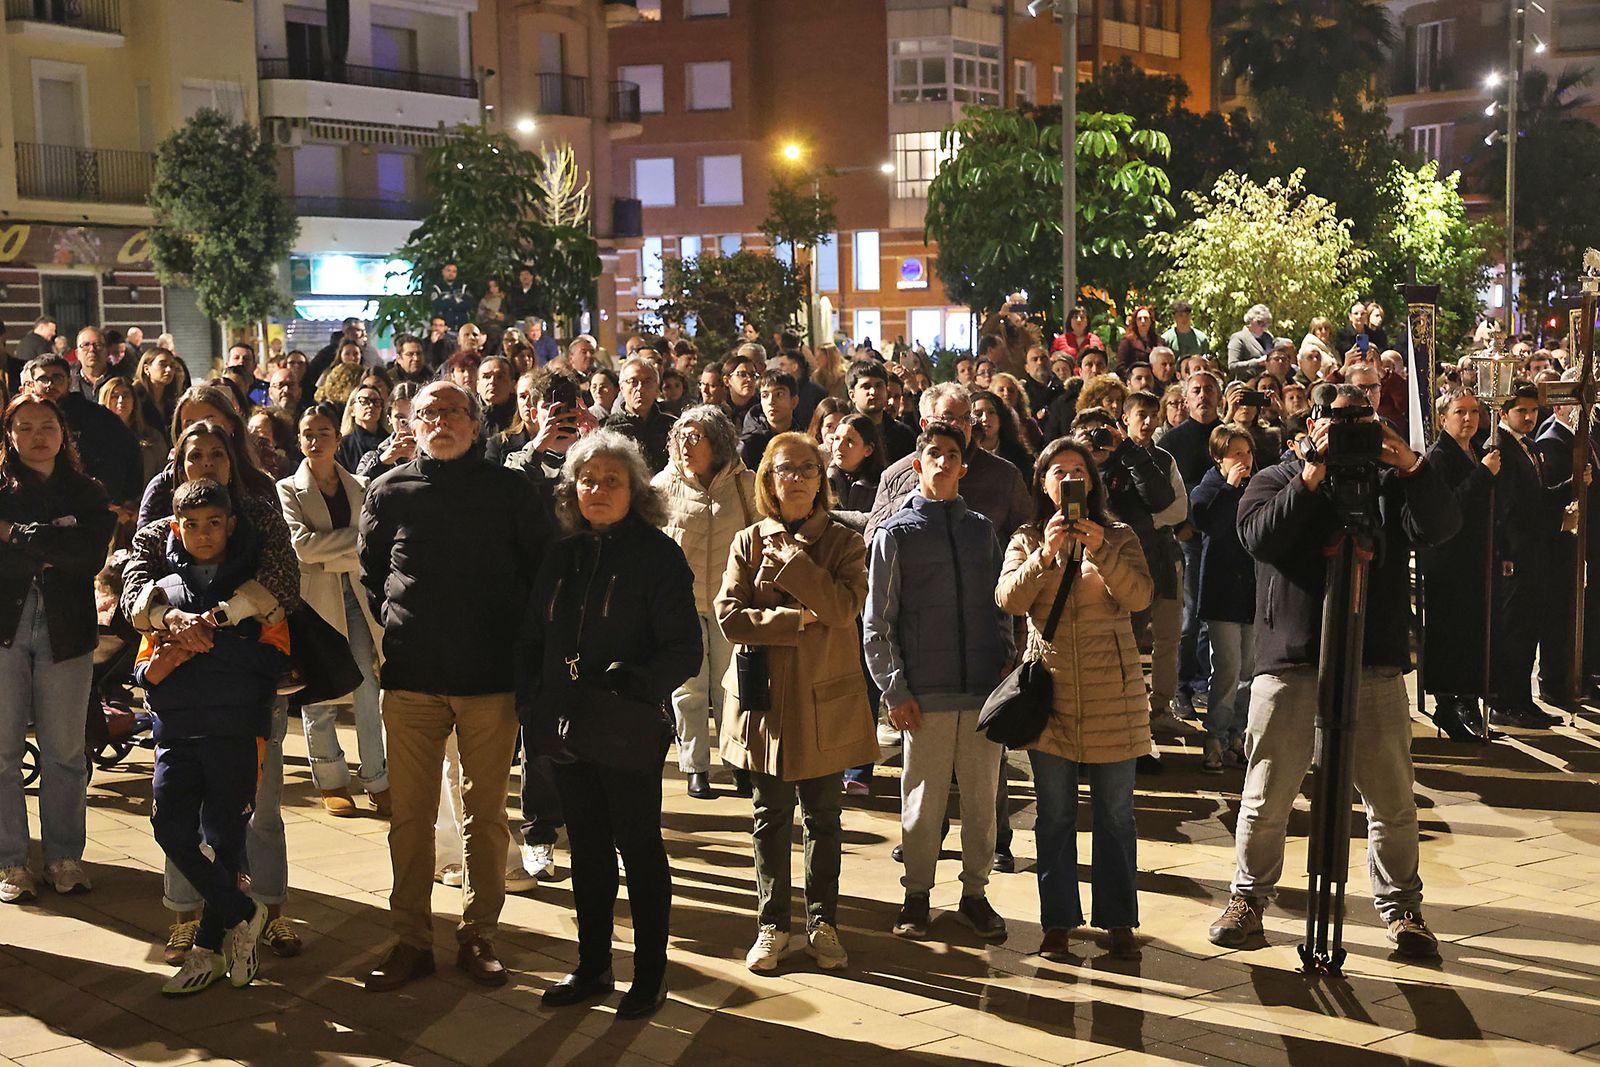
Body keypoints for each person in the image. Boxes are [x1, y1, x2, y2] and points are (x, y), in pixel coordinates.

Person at [1207, 382, 1458, 958]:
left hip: (1372, 660)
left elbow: (1442, 528)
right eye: (1335, 422)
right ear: (1307, 427)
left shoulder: (1391, 485)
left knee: (1393, 801)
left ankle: (1403, 910)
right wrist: (1312, 475)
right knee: (1266, 797)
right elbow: (1258, 537)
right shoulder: (1277, 477)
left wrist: (1412, 468)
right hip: (1292, 662)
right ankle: (1248, 900)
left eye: (1358, 422)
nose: (1347, 433)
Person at [358, 381, 545, 991]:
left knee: (485, 816)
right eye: (428, 413)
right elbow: (372, 574)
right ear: (409, 422)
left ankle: (479, 935)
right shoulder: (389, 492)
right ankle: (410, 939)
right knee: (409, 819)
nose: (441, 421)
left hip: (490, 682)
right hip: (412, 680)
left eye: (453, 412)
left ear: (476, 422)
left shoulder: (511, 492)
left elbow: (538, 573)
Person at [519, 430, 700, 1019]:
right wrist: (532, 704)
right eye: (587, 480)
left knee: (640, 851)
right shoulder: (563, 553)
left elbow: (683, 650)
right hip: (565, 726)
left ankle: (649, 976)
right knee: (589, 851)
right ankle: (593, 966)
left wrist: (635, 682)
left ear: (635, 490)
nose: (597, 490)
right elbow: (532, 637)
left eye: (611, 480)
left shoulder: (657, 554)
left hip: (625, 726)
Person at [716, 431, 878, 972]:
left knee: (825, 819)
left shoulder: (843, 542)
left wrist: (794, 566)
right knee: (769, 817)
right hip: (765, 704)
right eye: (786, 469)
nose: (797, 479)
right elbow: (730, 617)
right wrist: (794, 620)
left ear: (821, 478)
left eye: (808, 469)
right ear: (767, 478)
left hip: (824, 702)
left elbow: (844, 609)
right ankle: (771, 924)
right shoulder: (747, 540)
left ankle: (823, 922)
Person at [997, 438, 1151, 959]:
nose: (1067, 480)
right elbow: (1009, 599)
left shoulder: (1121, 535)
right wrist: (1046, 555)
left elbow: (1138, 598)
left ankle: (1118, 923)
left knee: (1115, 816)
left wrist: (1101, 549)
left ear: (1092, 481)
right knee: (1055, 815)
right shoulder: (1027, 538)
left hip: (1116, 697)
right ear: (1042, 482)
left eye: (1077, 471)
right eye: (1057, 472)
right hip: (1051, 699)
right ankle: (1057, 922)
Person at [137, 479, 288, 996]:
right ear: (176, 529)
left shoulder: (255, 592)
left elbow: (273, 663)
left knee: (225, 839)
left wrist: (208, 641)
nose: (203, 534)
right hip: (176, 732)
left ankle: (208, 951)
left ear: (231, 525)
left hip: (235, 733)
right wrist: (167, 656)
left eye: (214, 523)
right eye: (192, 525)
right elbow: (144, 674)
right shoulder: (163, 595)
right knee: (169, 828)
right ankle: (246, 911)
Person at [864, 421, 1014, 943]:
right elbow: (877, 622)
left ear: (964, 467)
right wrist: (895, 688)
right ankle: (917, 895)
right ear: (916, 464)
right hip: (923, 694)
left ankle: (976, 893)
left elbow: (1001, 608)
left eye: (953, 454)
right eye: (934, 454)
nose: (943, 462)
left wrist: (1007, 659)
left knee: (981, 801)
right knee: (922, 801)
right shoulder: (895, 534)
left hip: (981, 691)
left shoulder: (979, 531)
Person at [0, 394, 117, 904]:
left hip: (67, 631)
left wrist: (17, 537)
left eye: (46, 425)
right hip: (5, 627)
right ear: (10, 436)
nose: (37, 436)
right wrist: (50, 545)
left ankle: (65, 855)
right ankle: (10, 860)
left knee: (66, 752)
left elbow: (87, 556)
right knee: (2, 752)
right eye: (24, 428)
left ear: (62, 432)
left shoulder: (87, 492)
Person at [278, 407, 387, 817]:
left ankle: (377, 777)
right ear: (299, 439)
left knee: (366, 689)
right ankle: (331, 778)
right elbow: (300, 547)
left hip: (357, 597)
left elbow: (372, 543)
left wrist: (333, 553)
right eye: (308, 433)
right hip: (313, 601)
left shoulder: (360, 486)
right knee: (320, 689)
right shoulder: (287, 488)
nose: (315, 440)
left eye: (324, 432)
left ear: (337, 439)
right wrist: (349, 547)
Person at [653, 406, 756, 799]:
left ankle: (737, 760)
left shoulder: (745, 484)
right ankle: (695, 766)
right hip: (683, 603)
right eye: (680, 436)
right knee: (688, 689)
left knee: (733, 687)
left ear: (719, 443)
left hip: (732, 603)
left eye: (696, 437)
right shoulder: (663, 485)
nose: (685, 445)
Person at [1487, 382, 1569, 730]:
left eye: (1534, 411)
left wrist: (1567, 489)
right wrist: (1505, 552)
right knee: (1515, 631)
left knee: (1529, 627)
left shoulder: (1528, 445)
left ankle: (1522, 700)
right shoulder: (1501, 446)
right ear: (1504, 412)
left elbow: (1535, 496)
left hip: (1534, 550)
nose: (1529, 417)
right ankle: (1507, 702)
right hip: (1516, 555)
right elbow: (1506, 508)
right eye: (1522, 411)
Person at [864, 383, 1033, 548]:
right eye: (948, 417)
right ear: (925, 425)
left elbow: (1027, 534)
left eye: (966, 418)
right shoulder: (896, 476)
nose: (959, 425)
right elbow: (873, 540)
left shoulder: (1003, 475)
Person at [1421, 390, 1500, 741]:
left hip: (1474, 556)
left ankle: (1468, 701)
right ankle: (1449, 705)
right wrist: (1483, 474)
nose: (1468, 419)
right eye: (1459, 412)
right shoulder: (1439, 457)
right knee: (1451, 633)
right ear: (1443, 418)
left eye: (1473, 412)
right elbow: (1448, 507)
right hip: (1450, 560)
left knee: (1472, 632)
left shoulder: (1474, 449)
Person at [1189, 425, 1257, 773]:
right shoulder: (1208, 490)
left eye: (1247, 453)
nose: (1243, 460)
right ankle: (1214, 735)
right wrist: (1230, 488)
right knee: (1228, 667)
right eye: (1235, 454)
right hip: (1221, 592)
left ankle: (1238, 734)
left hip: (1251, 591)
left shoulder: (1258, 486)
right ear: (1219, 458)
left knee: (1249, 669)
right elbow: (1209, 524)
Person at [25, 355, 143, 513]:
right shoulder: (22, 419)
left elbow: (128, 451)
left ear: (69, 381)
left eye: (57, 378)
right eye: (43, 379)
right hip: (37, 508)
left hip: (89, 509)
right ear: (32, 383)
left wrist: (115, 501)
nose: (50, 384)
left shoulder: (97, 417)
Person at [603, 357, 672, 473]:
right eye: (633, 382)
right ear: (621, 388)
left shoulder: (672, 427)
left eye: (647, 382)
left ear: (657, 388)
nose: (640, 388)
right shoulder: (607, 428)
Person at [99, 376, 167, 486]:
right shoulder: (95, 436)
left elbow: (163, 473)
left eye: (125, 396)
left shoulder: (153, 437)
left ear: (134, 401)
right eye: (114, 396)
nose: (120, 401)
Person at [848, 360, 916, 463]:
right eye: (866, 386)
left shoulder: (904, 435)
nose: (873, 392)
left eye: (878, 385)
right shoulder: (843, 433)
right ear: (852, 395)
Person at [739, 370, 800, 470]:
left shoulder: (802, 440)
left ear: (794, 401)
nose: (771, 401)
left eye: (779, 394)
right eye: (765, 396)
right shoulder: (749, 445)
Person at [970, 388, 1034, 476]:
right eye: (978, 414)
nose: (985, 419)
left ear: (1001, 418)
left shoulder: (1020, 457)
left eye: (991, 412)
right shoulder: (964, 457)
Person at [334, 383, 388, 473]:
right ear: (352, 410)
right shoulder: (343, 445)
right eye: (363, 401)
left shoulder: (390, 441)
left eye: (376, 402)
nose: (371, 405)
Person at [1225, 305, 1275, 372]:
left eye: (1267, 323)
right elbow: (1232, 365)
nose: (1264, 326)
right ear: (1251, 320)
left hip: (1269, 379)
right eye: (1260, 322)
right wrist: (1256, 362)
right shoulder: (1238, 338)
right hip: (1247, 380)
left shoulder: (1268, 337)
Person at [1116, 306, 1160, 374]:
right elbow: (1121, 367)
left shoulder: (1159, 341)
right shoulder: (1127, 342)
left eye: (1146, 318)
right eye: (1139, 319)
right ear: (1135, 322)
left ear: (1151, 321)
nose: (1143, 321)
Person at [430, 263, 471, 330]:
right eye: (448, 270)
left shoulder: (463, 287)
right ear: (443, 272)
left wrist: (448, 302)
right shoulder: (437, 288)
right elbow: (437, 305)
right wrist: (457, 302)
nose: (451, 273)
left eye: (454, 271)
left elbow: (468, 304)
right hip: (445, 326)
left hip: (462, 325)